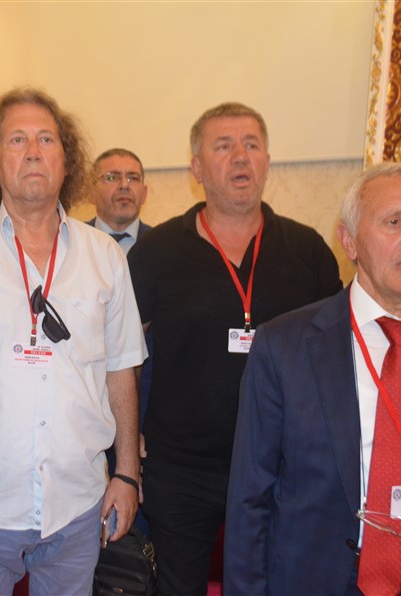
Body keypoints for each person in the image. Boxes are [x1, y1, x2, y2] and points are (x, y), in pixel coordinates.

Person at [223, 162, 401, 595]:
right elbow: (250, 500)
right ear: (349, 241)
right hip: (311, 580)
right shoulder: (283, 347)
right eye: (394, 221)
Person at [0, 87, 146, 595]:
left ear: (67, 161)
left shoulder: (105, 257)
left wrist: (127, 473)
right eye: (17, 140)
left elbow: (121, 370)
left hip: (77, 505)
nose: (34, 151)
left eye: (47, 139)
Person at [128, 102, 342, 594]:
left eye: (251, 145)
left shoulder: (307, 250)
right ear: (197, 169)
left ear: (267, 161)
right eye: (223, 146)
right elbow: (122, 354)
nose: (240, 156)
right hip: (180, 468)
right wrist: (125, 438)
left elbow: (334, 356)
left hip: (283, 466)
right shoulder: (157, 252)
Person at [87, 148, 151, 254]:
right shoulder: (72, 242)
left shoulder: (163, 244)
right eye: (112, 178)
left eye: (133, 178)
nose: (124, 185)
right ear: (91, 193)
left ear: (144, 193)